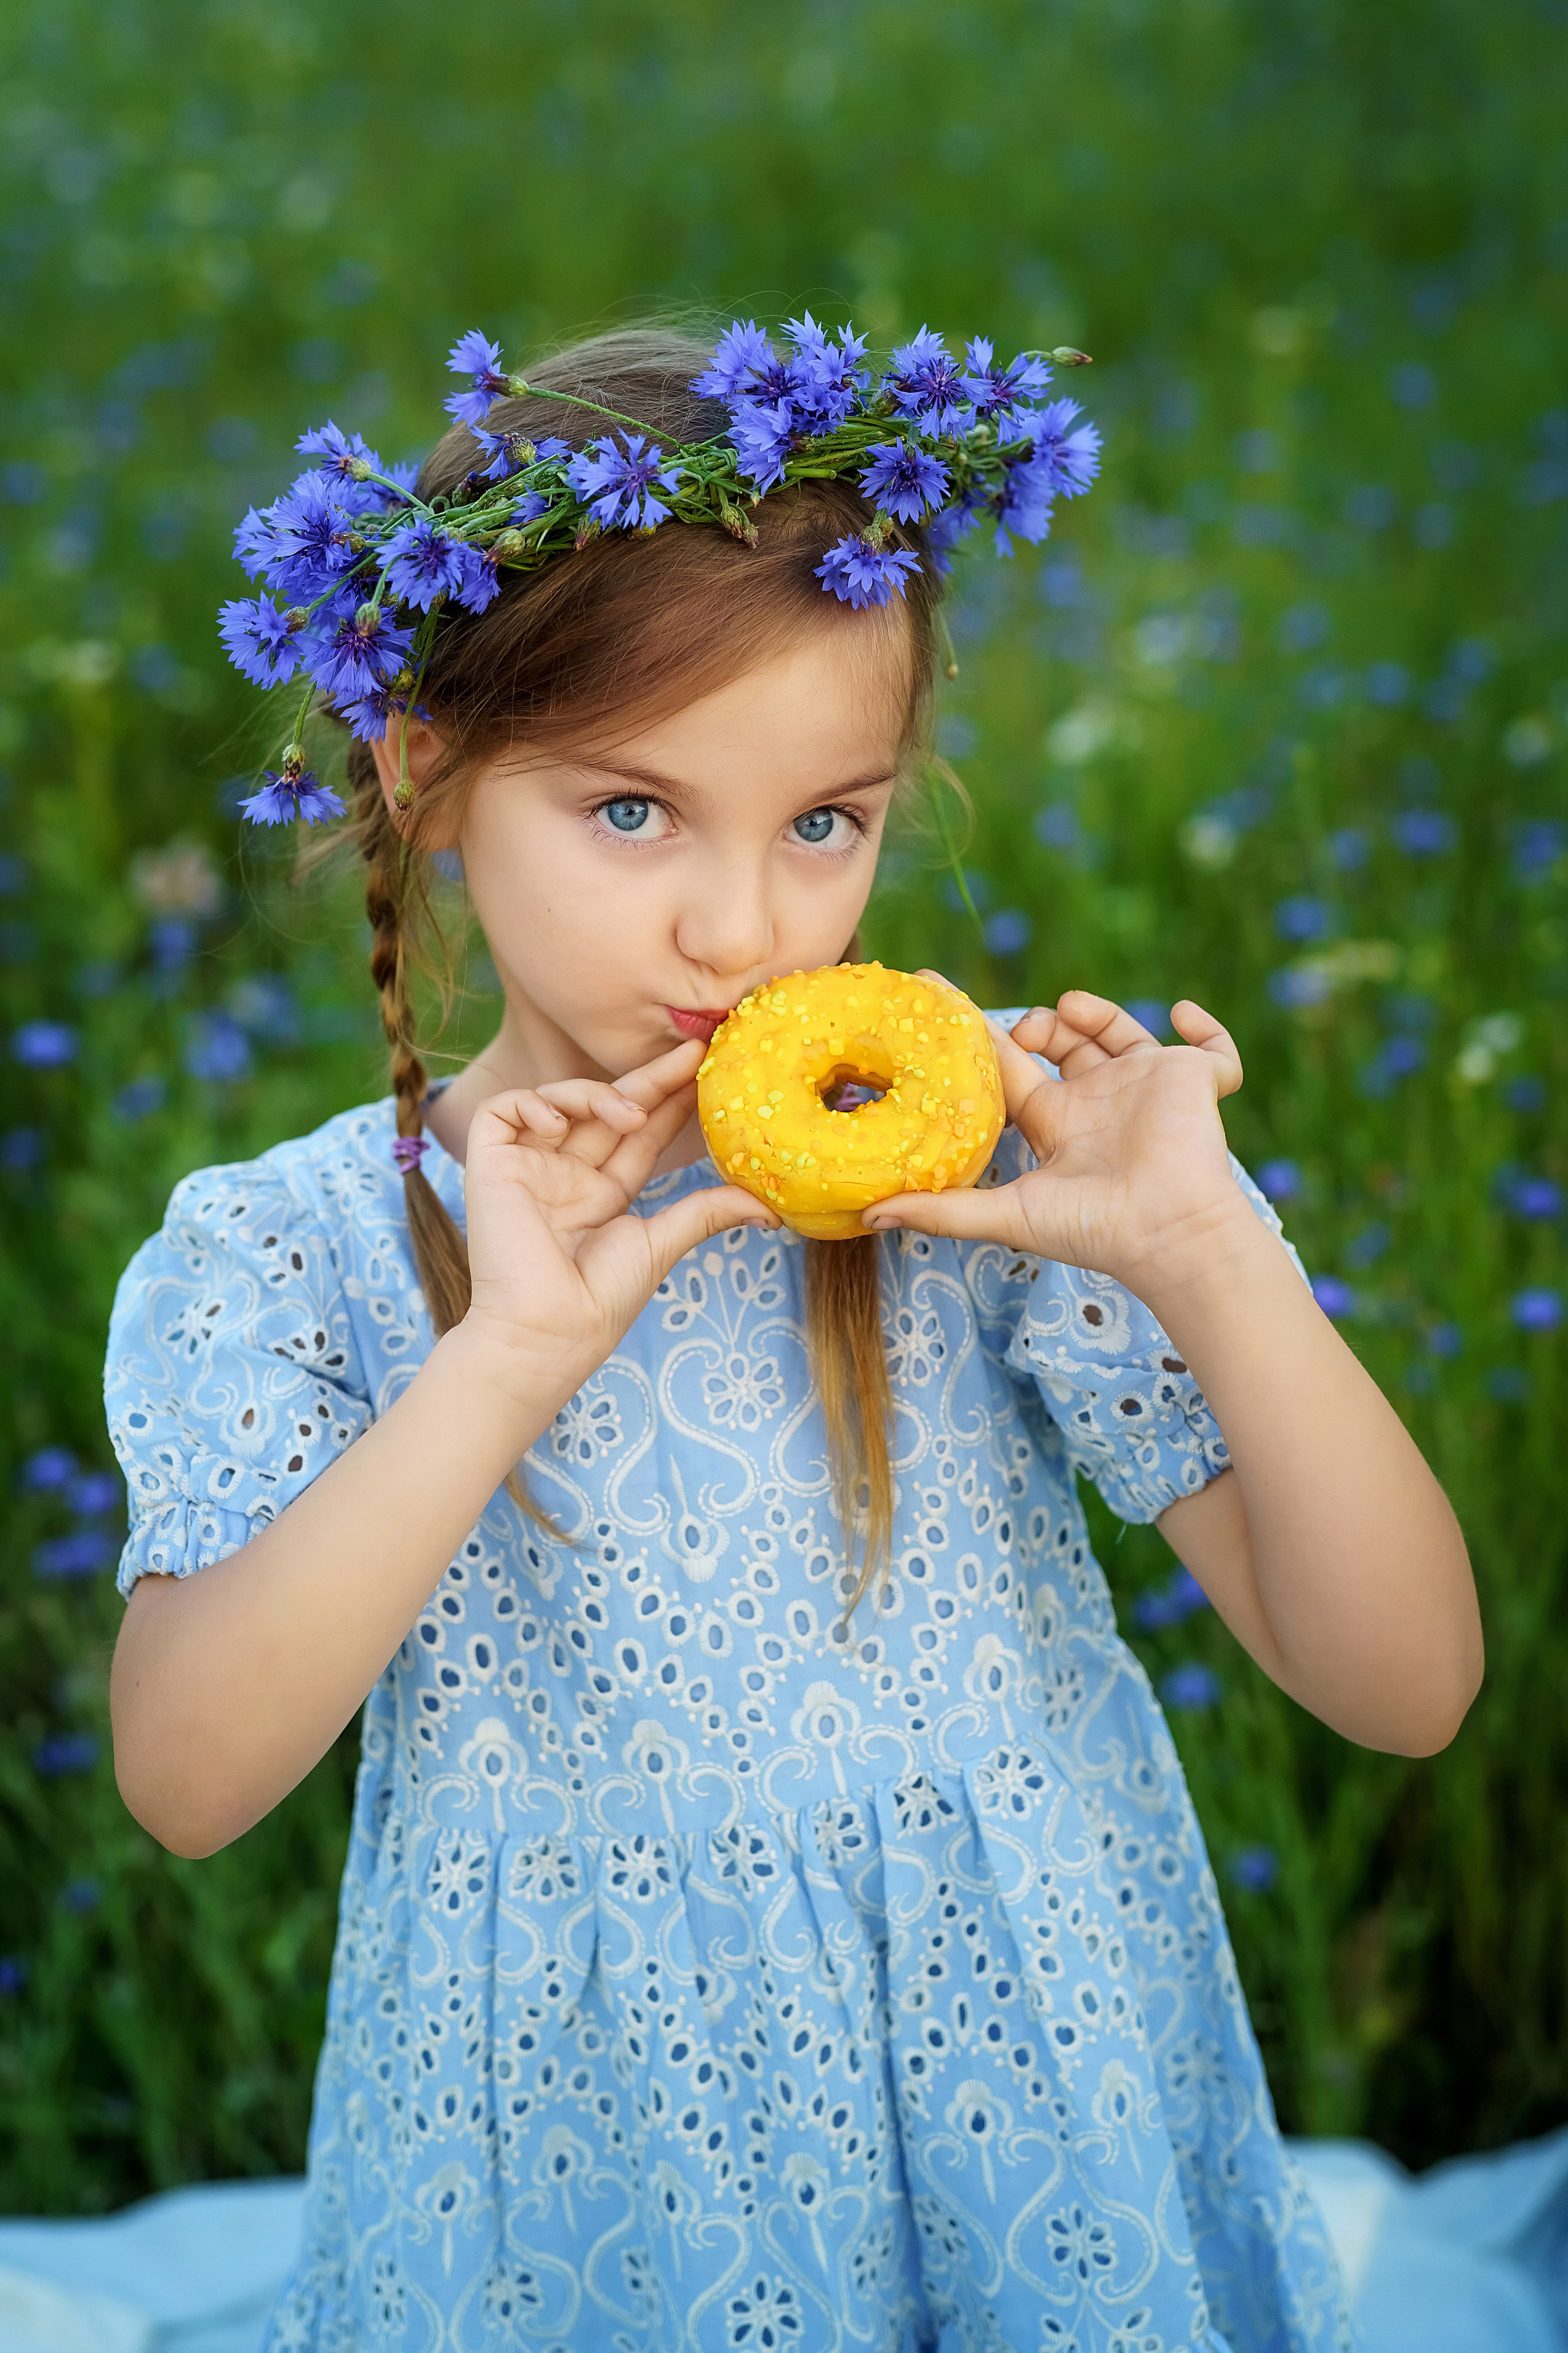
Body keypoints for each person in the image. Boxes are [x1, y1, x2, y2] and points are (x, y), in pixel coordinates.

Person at [106, 322, 1479, 2352]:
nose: (743, 931)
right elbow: (191, 1775)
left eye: (823, 821)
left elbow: (1409, 1684)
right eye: (637, 813)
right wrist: (499, 1359)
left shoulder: (996, 1189)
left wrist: (1211, 1254)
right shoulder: (284, 1251)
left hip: (1034, 2088)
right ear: (429, 774)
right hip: (586, 2163)